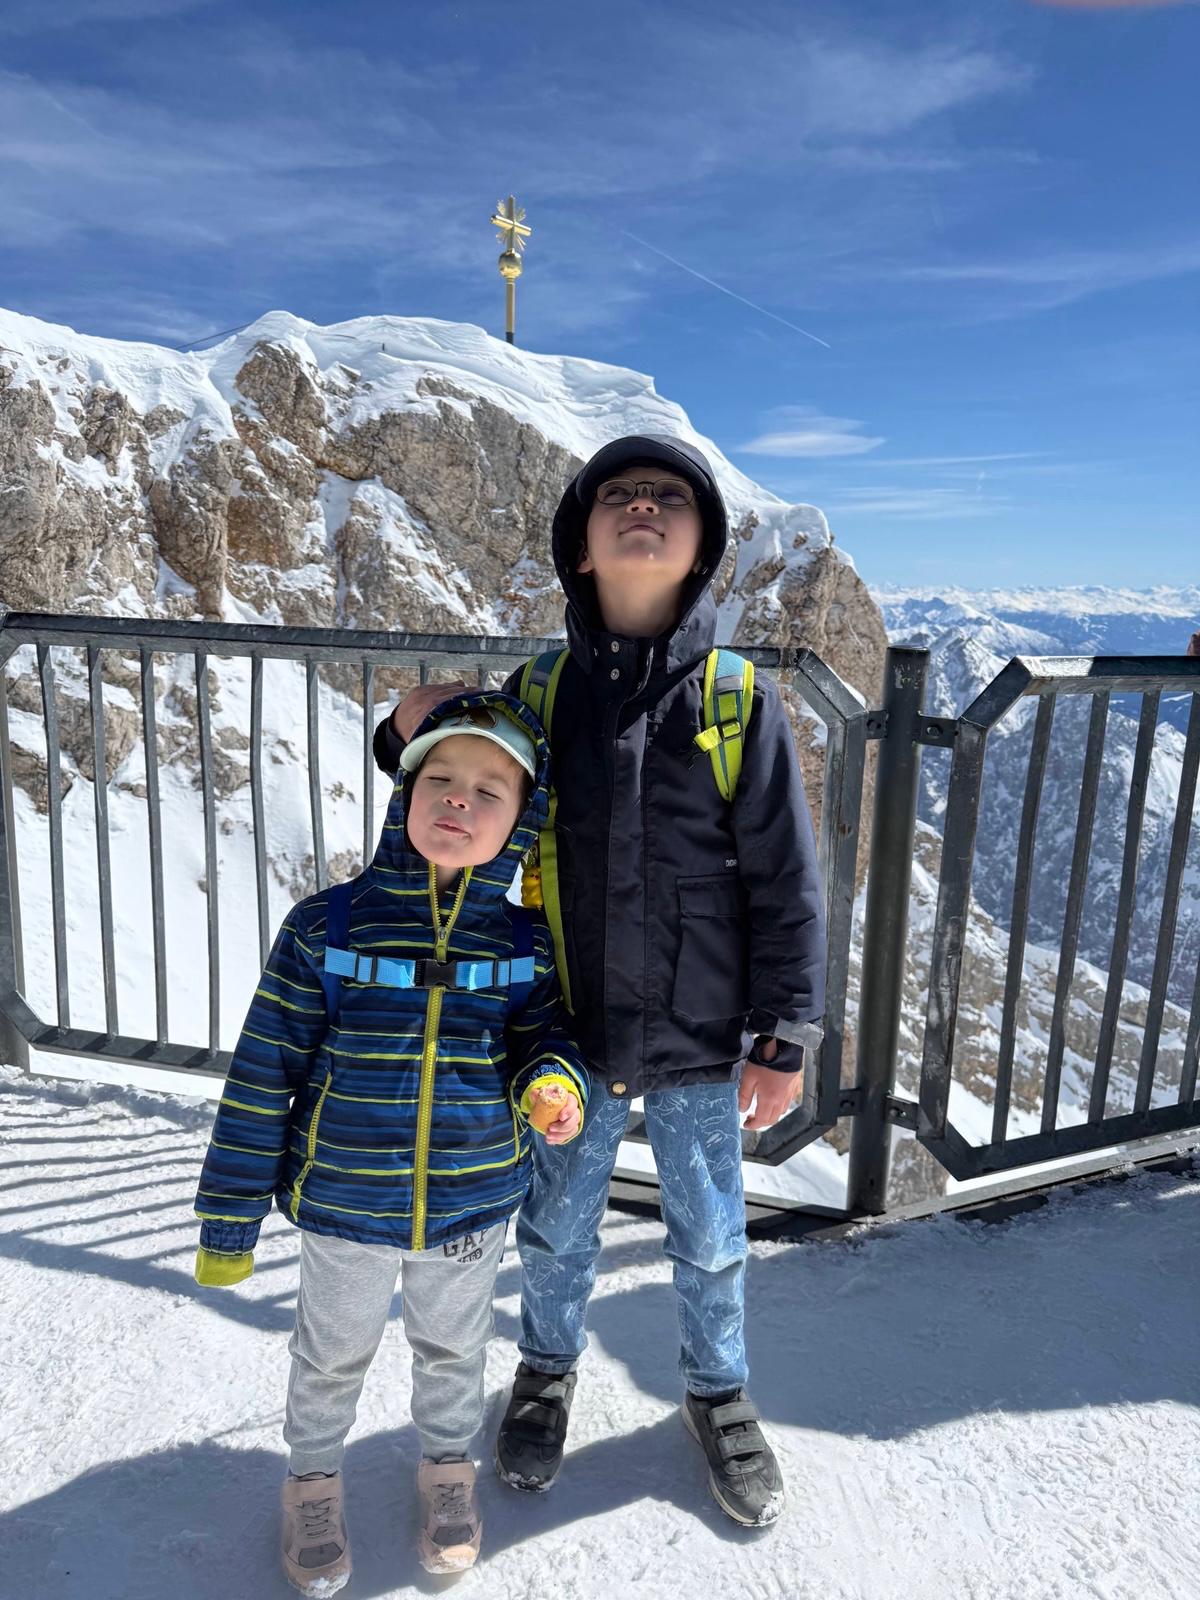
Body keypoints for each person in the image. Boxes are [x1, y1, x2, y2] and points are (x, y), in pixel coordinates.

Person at [374, 436, 826, 1529]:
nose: (642, 507)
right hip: (564, 1032)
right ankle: (544, 1368)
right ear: (580, 547)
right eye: (616, 495)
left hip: (701, 1034)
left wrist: (786, 1033)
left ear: (702, 547)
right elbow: (452, 778)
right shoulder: (536, 694)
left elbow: (785, 875)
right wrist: (407, 725)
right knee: (556, 1224)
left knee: (713, 1232)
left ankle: (716, 1389)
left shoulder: (734, 700)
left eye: (669, 497)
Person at [193, 691, 587, 1593]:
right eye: (439, 778)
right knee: (330, 1353)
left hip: (472, 1202)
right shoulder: (328, 927)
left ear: (522, 822)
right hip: (344, 1203)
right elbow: (263, 1075)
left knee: (455, 1348)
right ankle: (313, 1480)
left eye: (490, 790)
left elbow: (540, 1036)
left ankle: (448, 1470)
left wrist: (550, 1084)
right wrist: (228, 1219)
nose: (459, 800)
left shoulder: (525, 942)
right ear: (402, 797)